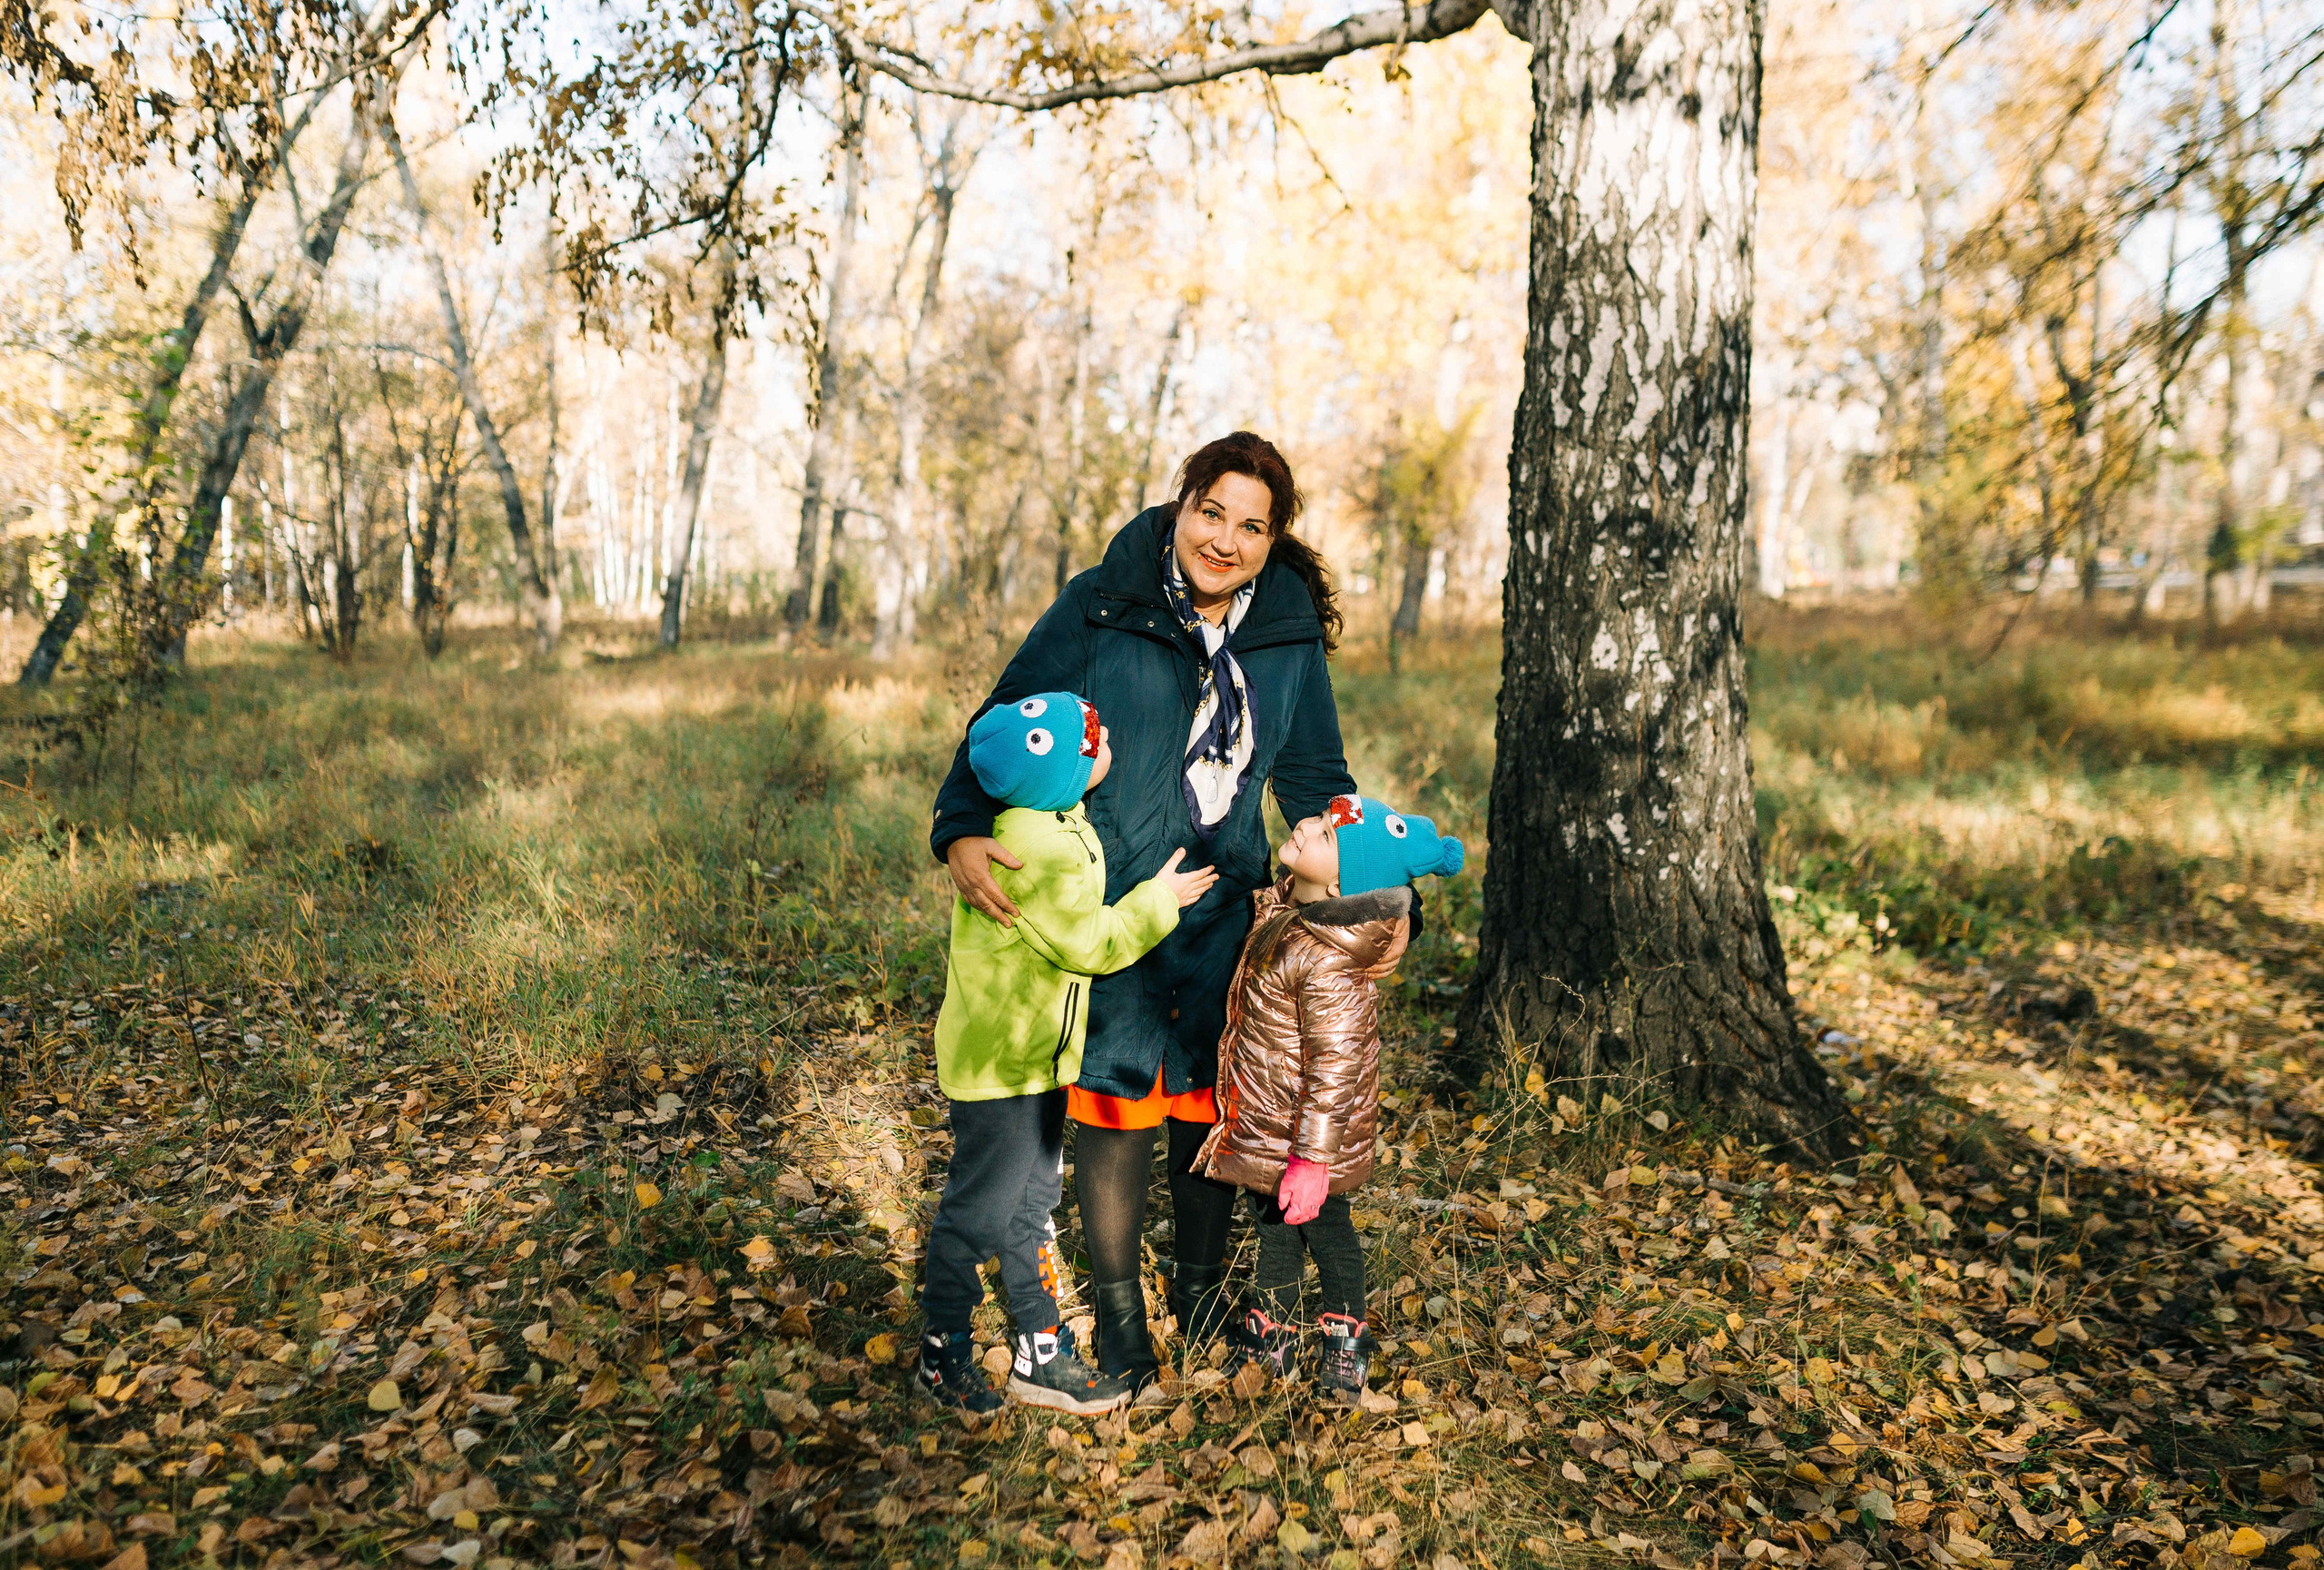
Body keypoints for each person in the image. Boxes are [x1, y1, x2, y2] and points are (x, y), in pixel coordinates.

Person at [931, 432, 1355, 1395]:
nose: (1226, 540)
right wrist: (960, 825)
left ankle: (1201, 1304)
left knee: (1209, 1111)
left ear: (1273, 538)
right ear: (1181, 506)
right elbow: (1004, 719)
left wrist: (1369, 886)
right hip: (1115, 897)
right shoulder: (1102, 600)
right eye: (1213, 512)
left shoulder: (1282, 628)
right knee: (1118, 1107)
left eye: (1253, 526)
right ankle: (1123, 1324)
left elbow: (1318, 776)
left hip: (1223, 903)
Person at [917, 692, 1219, 1416]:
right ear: (1057, 770)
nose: (1104, 734)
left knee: (1031, 1206)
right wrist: (1160, 900)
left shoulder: (1052, 819)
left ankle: (1039, 1350)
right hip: (1003, 1071)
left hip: (1040, 1063)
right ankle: (942, 1349)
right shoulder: (1035, 849)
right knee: (982, 1210)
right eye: (1091, 736)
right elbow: (1090, 943)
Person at [1196, 795, 1463, 1402]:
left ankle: (1346, 1334)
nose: (1305, 825)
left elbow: (1337, 1066)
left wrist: (1313, 1161)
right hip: (1272, 1122)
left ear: (1343, 881)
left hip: (1312, 1140)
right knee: (1272, 1229)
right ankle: (1276, 1329)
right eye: (1316, 818)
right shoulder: (1294, 911)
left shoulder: (1331, 961)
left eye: (1321, 831)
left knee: (1328, 1234)